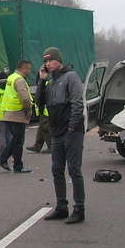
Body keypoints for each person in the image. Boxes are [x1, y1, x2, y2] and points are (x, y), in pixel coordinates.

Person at [40, 47, 86, 224]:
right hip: (57, 131)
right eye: (45, 61)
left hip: (71, 131)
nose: (47, 63)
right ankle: (61, 207)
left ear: (58, 60)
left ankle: (79, 208)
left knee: (74, 170)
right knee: (56, 170)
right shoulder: (51, 80)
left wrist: (72, 128)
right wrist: (41, 80)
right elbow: (41, 102)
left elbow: (77, 103)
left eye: (50, 60)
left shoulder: (71, 76)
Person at [0, 60, 34, 173]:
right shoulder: (19, 80)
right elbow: (25, 98)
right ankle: (7, 161)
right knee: (18, 141)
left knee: (16, 141)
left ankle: (13, 164)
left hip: (9, 113)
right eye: (29, 69)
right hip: (17, 114)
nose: (29, 71)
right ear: (24, 68)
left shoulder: (11, 77)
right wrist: (28, 111)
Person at [26, 65, 52, 153]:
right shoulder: (42, 82)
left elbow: (41, 97)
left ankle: (51, 146)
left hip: (45, 110)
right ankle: (37, 145)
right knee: (41, 128)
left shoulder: (46, 83)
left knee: (45, 128)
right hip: (42, 109)